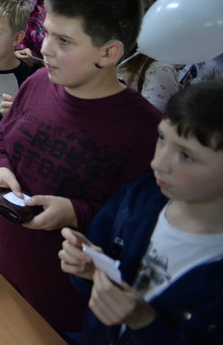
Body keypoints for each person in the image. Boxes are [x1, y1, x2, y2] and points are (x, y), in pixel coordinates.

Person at [0, 0, 162, 333]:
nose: (46, 48)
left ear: (108, 53)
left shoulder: (145, 131)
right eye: (47, 32)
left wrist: (75, 213)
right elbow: (1, 141)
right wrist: (0, 168)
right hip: (2, 271)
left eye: (64, 41)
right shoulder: (37, 82)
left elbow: (138, 230)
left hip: (64, 310)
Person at [59, 80, 223, 344]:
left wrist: (144, 323)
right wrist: (91, 269)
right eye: (162, 138)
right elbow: (101, 264)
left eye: (187, 156)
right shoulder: (140, 195)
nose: (158, 163)